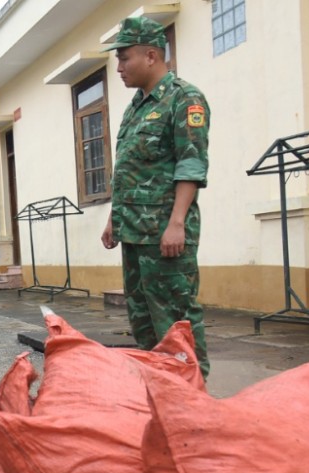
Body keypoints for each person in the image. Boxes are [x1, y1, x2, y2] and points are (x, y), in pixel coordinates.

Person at [100, 16, 210, 378]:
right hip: (133, 233)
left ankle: (194, 397)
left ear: (151, 55)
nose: (118, 67)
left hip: (165, 234)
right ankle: (162, 393)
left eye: (124, 58)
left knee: (176, 318)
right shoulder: (136, 106)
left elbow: (190, 165)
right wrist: (114, 219)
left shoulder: (184, 98)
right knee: (143, 319)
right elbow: (131, 168)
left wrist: (177, 223)